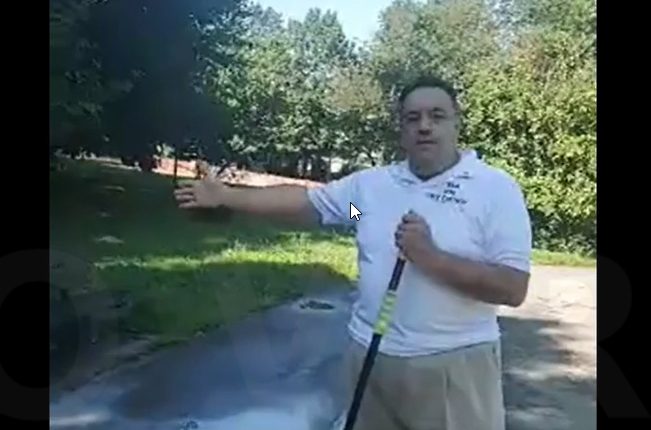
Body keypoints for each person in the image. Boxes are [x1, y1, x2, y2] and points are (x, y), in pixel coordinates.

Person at [174, 75, 532, 430]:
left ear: (456, 123)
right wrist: (226, 196)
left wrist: (431, 257)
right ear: (401, 130)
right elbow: (316, 205)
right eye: (413, 118)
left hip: (453, 365)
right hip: (367, 359)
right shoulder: (369, 193)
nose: (424, 126)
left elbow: (513, 288)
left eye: (437, 116)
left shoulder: (494, 190)